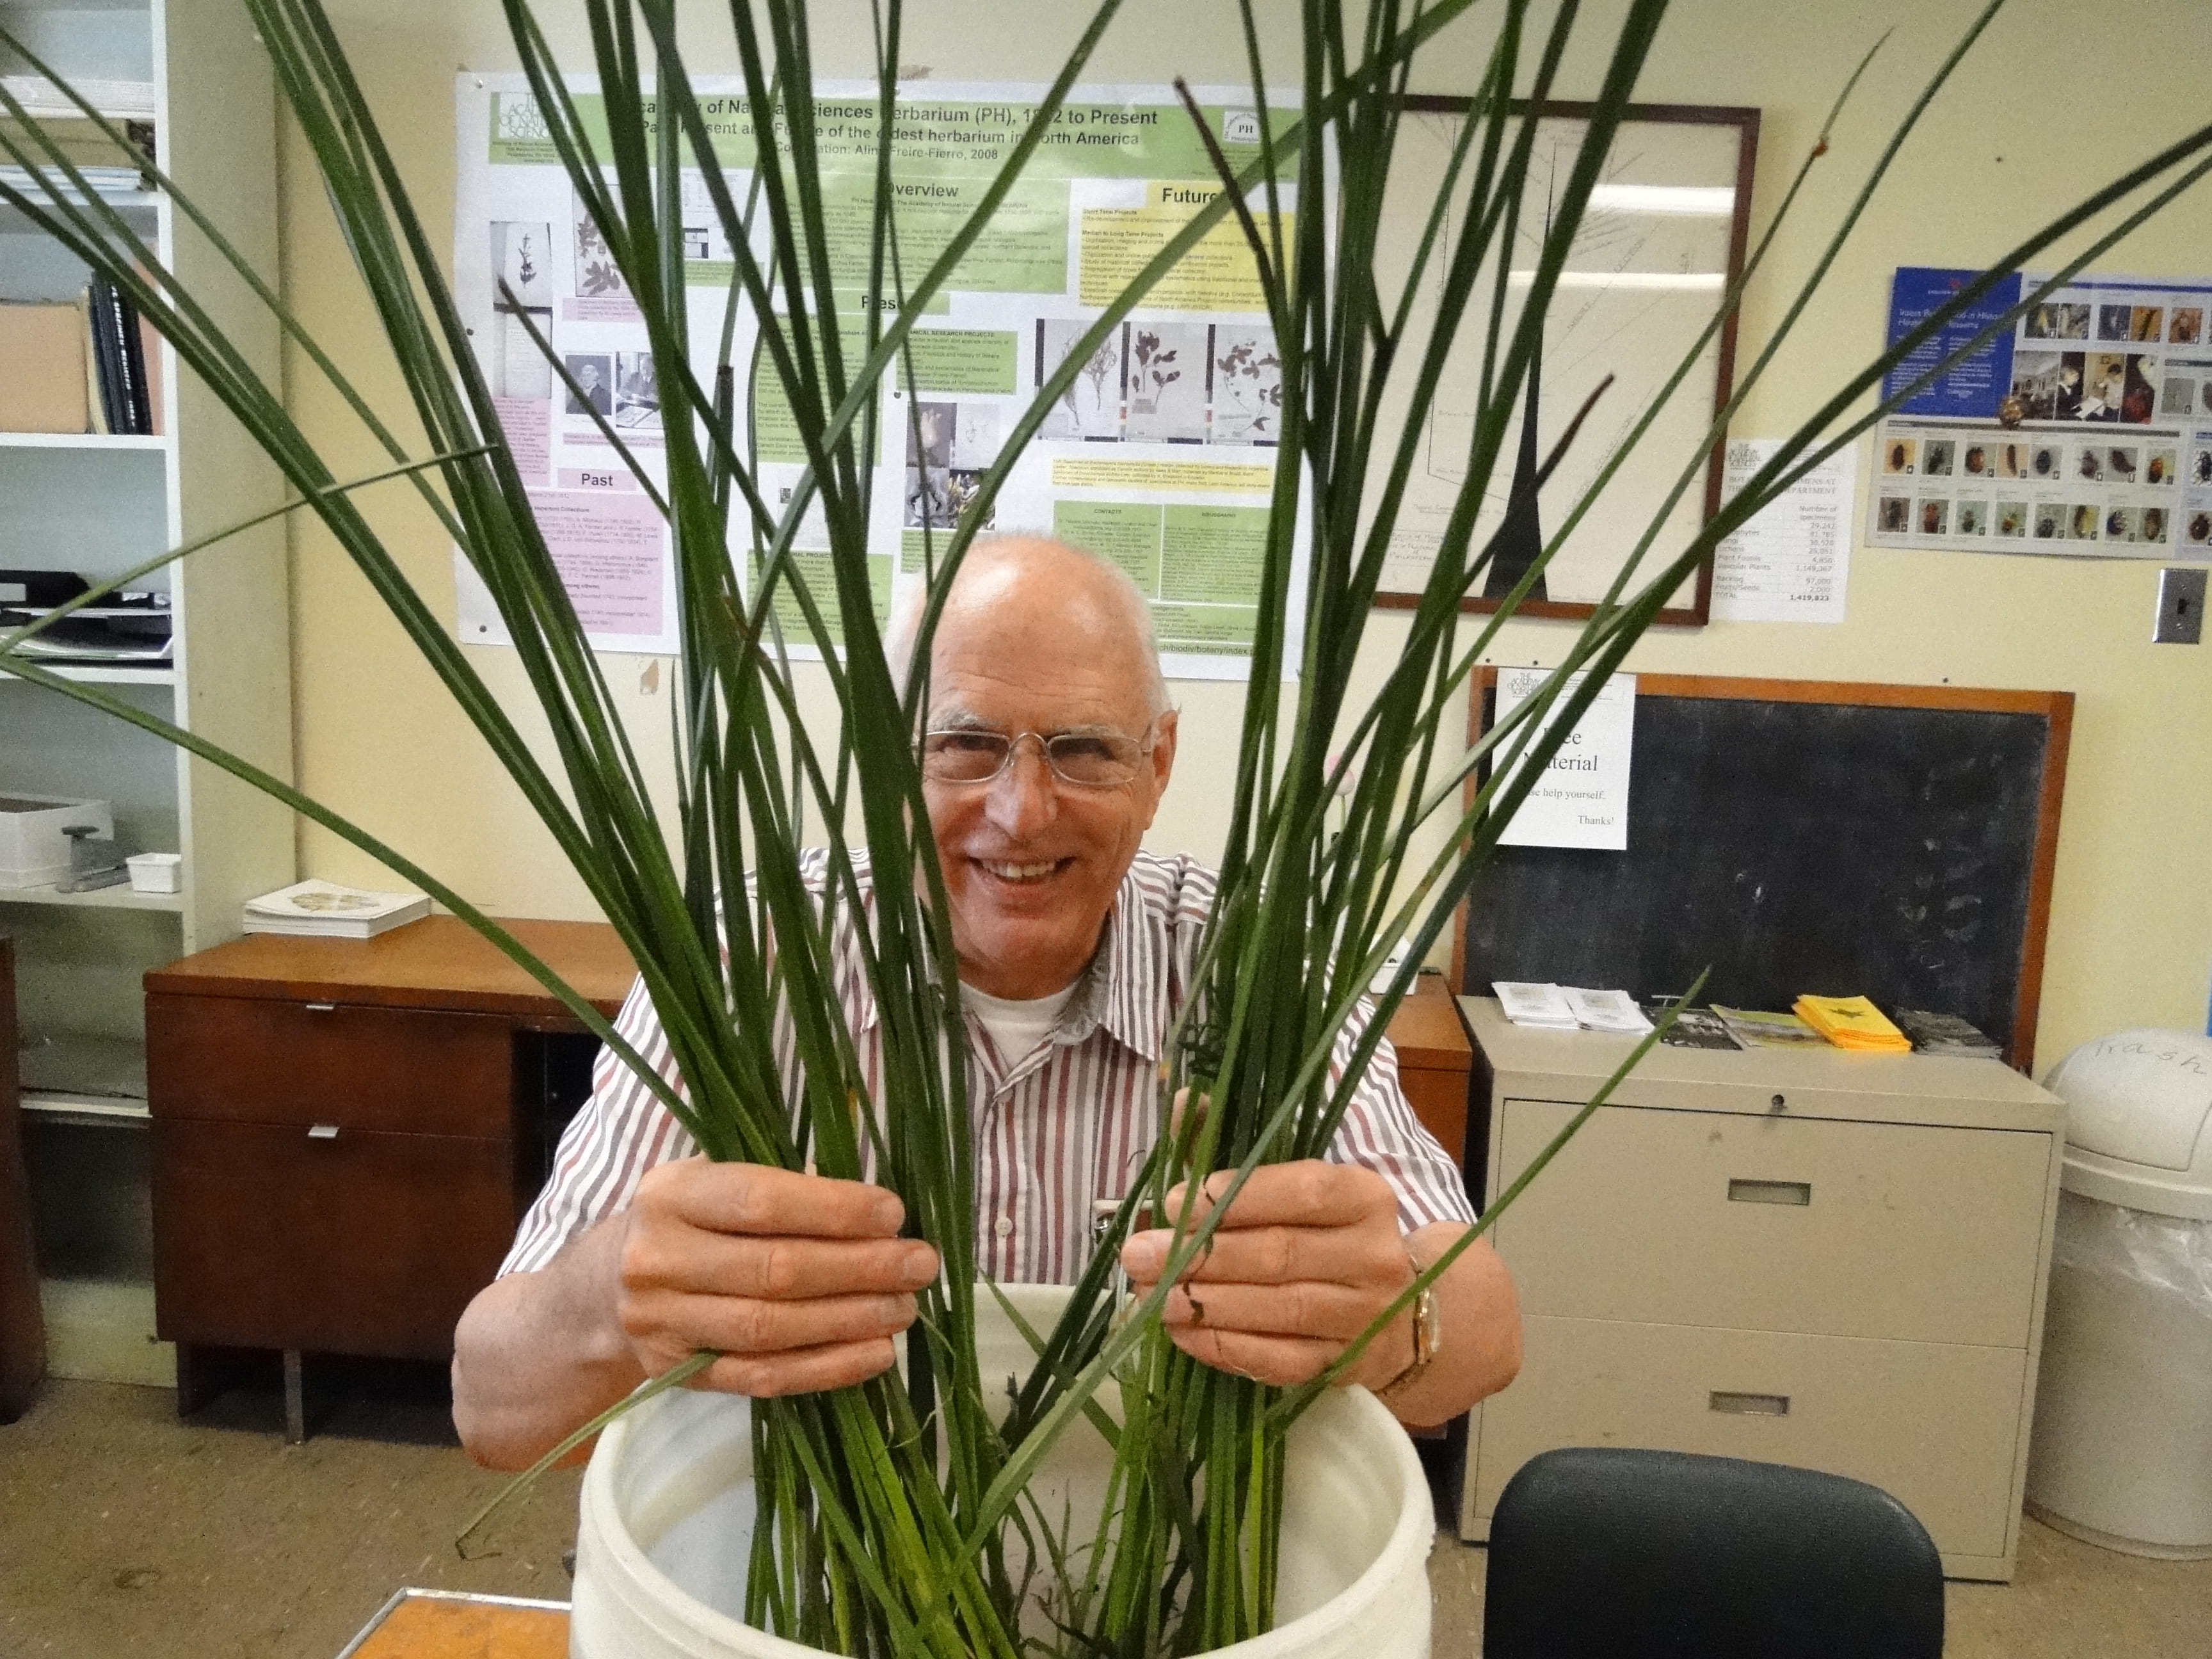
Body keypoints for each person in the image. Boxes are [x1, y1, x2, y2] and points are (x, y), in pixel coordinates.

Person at [451, 536, 1521, 1469]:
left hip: (1162, 1584)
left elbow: (1489, 1331)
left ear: (1158, 765)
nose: (1020, 811)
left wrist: (1398, 1317)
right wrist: (608, 1307)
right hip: (820, 1579)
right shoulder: (751, 954)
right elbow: (494, 1411)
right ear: (886, 756)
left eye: (1085, 749)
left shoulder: (1251, 964)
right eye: (964, 745)